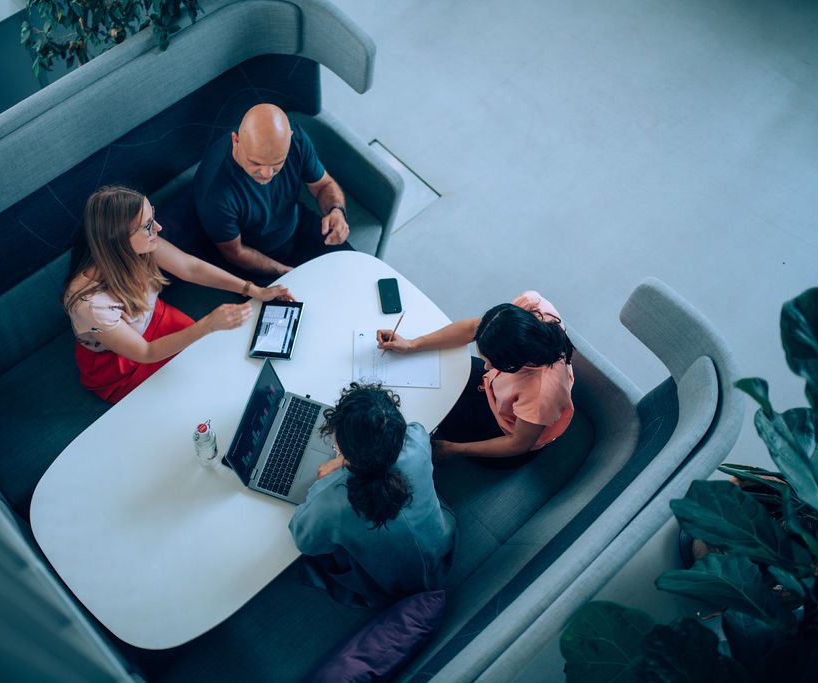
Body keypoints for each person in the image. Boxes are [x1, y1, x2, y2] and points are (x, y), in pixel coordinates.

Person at [62, 185, 293, 403]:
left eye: (152, 215)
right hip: (121, 360)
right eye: (147, 225)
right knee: (190, 389)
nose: (158, 228)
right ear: (118, 240)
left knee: (215, 360)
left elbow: (190, 267)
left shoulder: (141, 245)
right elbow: (145, 352)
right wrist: (208, 324)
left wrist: (254, 290)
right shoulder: (90, 303)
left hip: (154, 318)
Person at [288, 384, 456, 607]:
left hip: (391, 588)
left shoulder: (330, 500)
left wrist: (328, 477)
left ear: (340, 443)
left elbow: (305, 542)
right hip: (442, 548)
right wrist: (347, 458)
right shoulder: (416, 439)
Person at [378, 291, 575, 463]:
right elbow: (475, 327)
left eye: (493, 363)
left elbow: (518, 444)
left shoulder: (541, 394)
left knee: (429, 408)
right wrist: (412, 344)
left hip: (504, 429)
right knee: (437, 370)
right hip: (497, 393)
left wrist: (453, 449)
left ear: (518, 361)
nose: (486, 368)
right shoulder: (530, 307)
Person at [193, 103, 353, 279]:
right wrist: (286, 272)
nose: (267, 174)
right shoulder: (215, 192)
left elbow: (323, 184)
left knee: (352, 270)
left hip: (296, 224)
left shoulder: (297, 140)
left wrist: (336, 211)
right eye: (256, 163)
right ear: (236, 141)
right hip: (252, 256)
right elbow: (235, 253)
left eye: (277, 162)